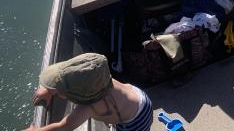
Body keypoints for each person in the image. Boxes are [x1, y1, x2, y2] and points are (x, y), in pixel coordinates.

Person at [24, 53, 152, 131]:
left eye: (57, 91)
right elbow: (69, 74)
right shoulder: (98, 78)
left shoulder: (87, 108)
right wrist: (49, 89)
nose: (55, 92)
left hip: (136, 122)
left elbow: (64, 127)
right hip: (139, 97)